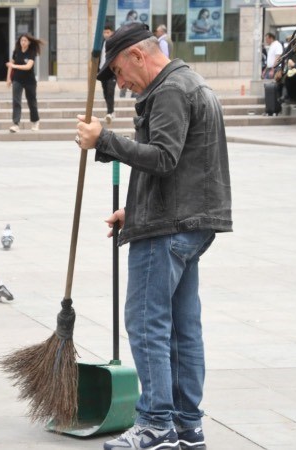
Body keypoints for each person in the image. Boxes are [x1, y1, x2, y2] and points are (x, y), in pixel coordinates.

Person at [75, 23, 232, 450]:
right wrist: (135, 208)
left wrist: (103, 139)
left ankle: (156, 424)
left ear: (138, 56)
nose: (121, 84)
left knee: (146, 325)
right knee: (183, 328)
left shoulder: (169, 91)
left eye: (120, 73)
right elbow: (185, 166)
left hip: (168, 229)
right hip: (189, 222)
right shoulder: (189, 82)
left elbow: (163, 157)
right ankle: (186, 425)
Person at [6, 33, 43, 133]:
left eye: (25, 40)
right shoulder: (16, 52)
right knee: (16, 101)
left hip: (30, 81)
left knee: (32, 102)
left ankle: (35, 121)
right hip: (17, 80)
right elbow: (11, 64)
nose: (23, 42)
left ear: (29, 42)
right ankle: (16, 124)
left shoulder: (32, 52)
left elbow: (28, 66)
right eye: (22, 40)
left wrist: (14, 66)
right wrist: (8, 79)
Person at [100, 25, 116, 124]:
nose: (106, 34)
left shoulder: (113, 43)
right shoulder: (102, 43)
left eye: (108, 32)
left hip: (111, 72)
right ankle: (110, 110)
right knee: (105, 92)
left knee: (110, 92)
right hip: (102, 71)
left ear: (112, 33)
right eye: (104, 32)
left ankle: (110, 112)